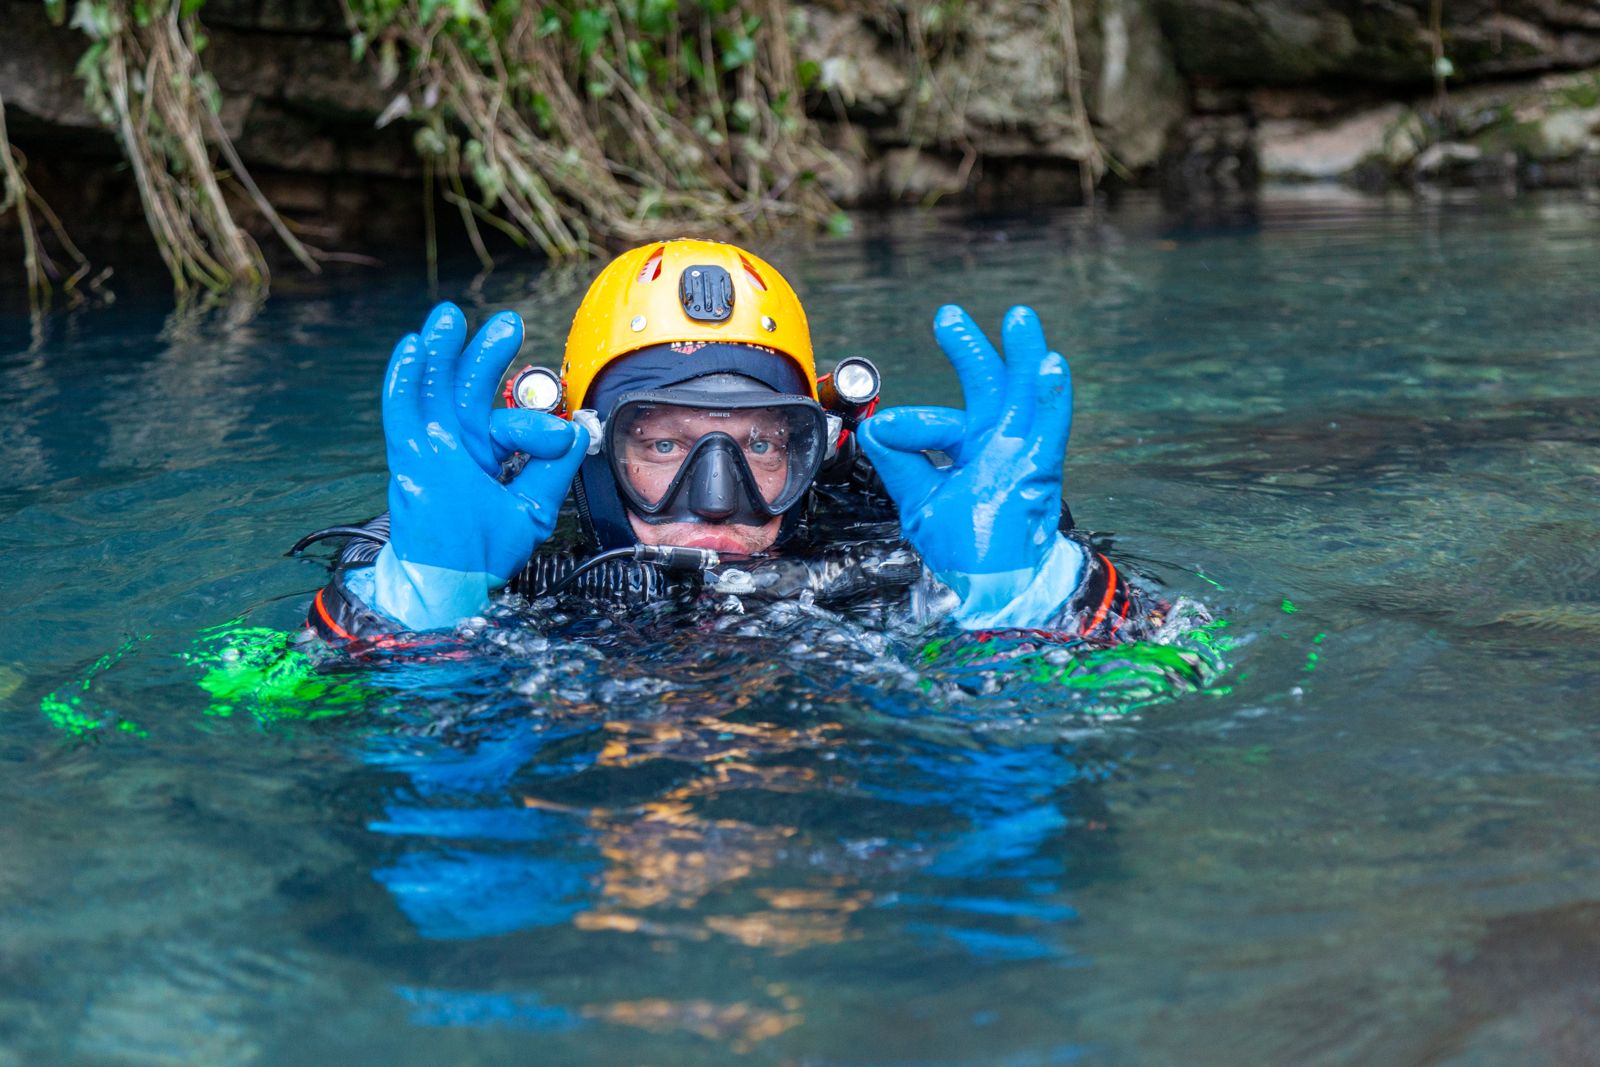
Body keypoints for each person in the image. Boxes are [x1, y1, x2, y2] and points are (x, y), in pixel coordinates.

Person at [305, 239, 1146, 645]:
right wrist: (422, 599)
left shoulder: (896, 557)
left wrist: (1038, 595)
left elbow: (1194, 660)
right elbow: (242, 690)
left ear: (818, 450)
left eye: (761, 447)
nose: (717, 499)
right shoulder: (472, 549)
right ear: (583, 452)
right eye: (663, 447)